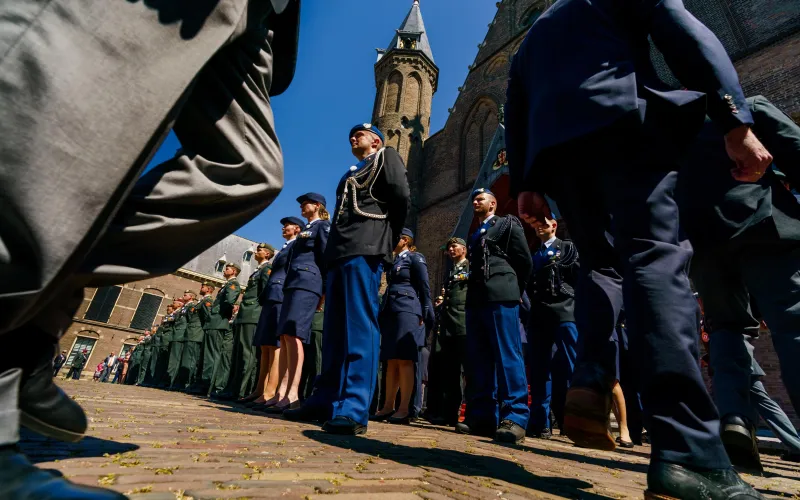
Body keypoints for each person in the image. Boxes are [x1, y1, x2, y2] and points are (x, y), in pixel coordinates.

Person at [0, 0, 301, 496]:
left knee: (245, 169)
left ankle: (28, 319)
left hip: (260, 13)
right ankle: (19, 337)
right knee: (70, 93)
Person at [506, 0, 773, 495]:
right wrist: (735, 117)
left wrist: (526, 180)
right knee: (656, 257)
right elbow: (681, 30)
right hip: (624, 123)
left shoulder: (538, 29)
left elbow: (516, 103)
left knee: (599, 263)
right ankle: (689, 451)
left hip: (559, 157)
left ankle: (589, 373)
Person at [682, 95, 800, 472]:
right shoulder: (751, 107)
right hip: (766, 226)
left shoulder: (669, 134)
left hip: (705, 246)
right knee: (793, 321)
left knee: (727, 329)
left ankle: (734, 418)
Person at [284, 123, 410, 435]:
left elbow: (401, 198)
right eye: (351, 135)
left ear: (376, 140)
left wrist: (384, 240)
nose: (353, 138)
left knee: (359, 326)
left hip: (366, 246)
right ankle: (325, 398)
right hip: (339, 253)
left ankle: (353, 407)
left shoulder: (387, 157)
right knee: (335, 330)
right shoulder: (351, 171)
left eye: (360, 134)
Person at [457, 188, 532, 444]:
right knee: (480, 359)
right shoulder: (475, 233)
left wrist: (513, 288)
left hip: (501, 293)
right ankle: (483, 415)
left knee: (507, 354)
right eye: (474, 199)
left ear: (493, 204)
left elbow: (524, 260)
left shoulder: (505, 223)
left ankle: (515, 416)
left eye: (481, 199)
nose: (475, 201)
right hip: (476, 299)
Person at [265, 193, 330, 413]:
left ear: (318, 205)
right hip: (293, 284)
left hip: (308, 283)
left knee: (295, 336)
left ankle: (293, 393)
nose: (302, 205)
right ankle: (282, 392)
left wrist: (323, 291)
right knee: (285, 337)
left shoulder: (322, 227)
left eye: (306, 202)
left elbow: (325, 258)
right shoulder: (306, 230)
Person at [372, 229, 434, 424]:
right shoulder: (393, 261)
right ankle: (388, 405)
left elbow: (424, 286)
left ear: (405, 240)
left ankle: (404, 407)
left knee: (405, 359)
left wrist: (425, 312)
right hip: (390, 310)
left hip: (408, 309)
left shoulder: (415, 258)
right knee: (391, 360)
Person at [525, 216, 579, 439]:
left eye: (544, 223)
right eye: (536, 224)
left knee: (571, 365)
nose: (539, 227)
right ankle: (540, 422)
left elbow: (578, 278)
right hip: (539, 316)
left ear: (554, 225)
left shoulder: (566, 247)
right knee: (539, 370)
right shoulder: (534, 254)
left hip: (564, 311)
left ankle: (577, 422)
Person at [247, 218, 302, 408]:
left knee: (277, 345)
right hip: (272, 295)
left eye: (287, 225)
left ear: (296, 228)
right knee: (266, 345)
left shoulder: (298, 244)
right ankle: (260, 389)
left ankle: (271, 390)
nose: (283, 227)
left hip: (281, 295)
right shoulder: (286, 247)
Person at [217, 244, 274, 401]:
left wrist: (256, 309)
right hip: (244, 315)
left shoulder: (266, 269)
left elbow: (265, 292)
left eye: (260, 250)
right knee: (237, 354)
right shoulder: (258, 270)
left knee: (247, 354)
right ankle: (232, 388)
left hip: (253, 314)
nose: (256, 252)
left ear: (267, 254)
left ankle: (242, 391)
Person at [425, 239, 470, 427]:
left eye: (455, 246)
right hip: (448, 325)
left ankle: (469, 414)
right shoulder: (451, 271)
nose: (451, 250)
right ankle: (449, 414)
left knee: (468, 371)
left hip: (463, 324)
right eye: (449, 248)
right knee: (450, 372)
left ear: (464, 249)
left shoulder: (470, 267)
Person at [208, 264, 243, 397]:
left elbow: (229, 301)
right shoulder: (226, 284)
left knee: (216, 355)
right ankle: (210, 385)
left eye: (227, 269)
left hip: (221, 319)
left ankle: (214, 386)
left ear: (233, 271)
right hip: (217, 319)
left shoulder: (233, 284)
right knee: (212, 354)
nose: (224, 270)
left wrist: (226, 314)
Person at [173, 289, 203, 391]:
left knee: (189, 360)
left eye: (185, 295)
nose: (183, 296)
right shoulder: (185, 307)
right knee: (183, 360)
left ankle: (187, 383)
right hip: (185, 334)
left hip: (189, 333)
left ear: (191, 297)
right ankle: (179, 382)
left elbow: (190, 320)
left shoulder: (191, 306)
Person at [166, 297, 189, 390]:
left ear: (180, 304)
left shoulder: (182, 311)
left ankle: (172, 382)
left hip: (179, 336)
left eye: (175, 303)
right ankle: (169, 381)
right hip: (175, 335)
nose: (173, 304)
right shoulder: (178, 312)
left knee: (175, 360)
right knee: (172, 360)